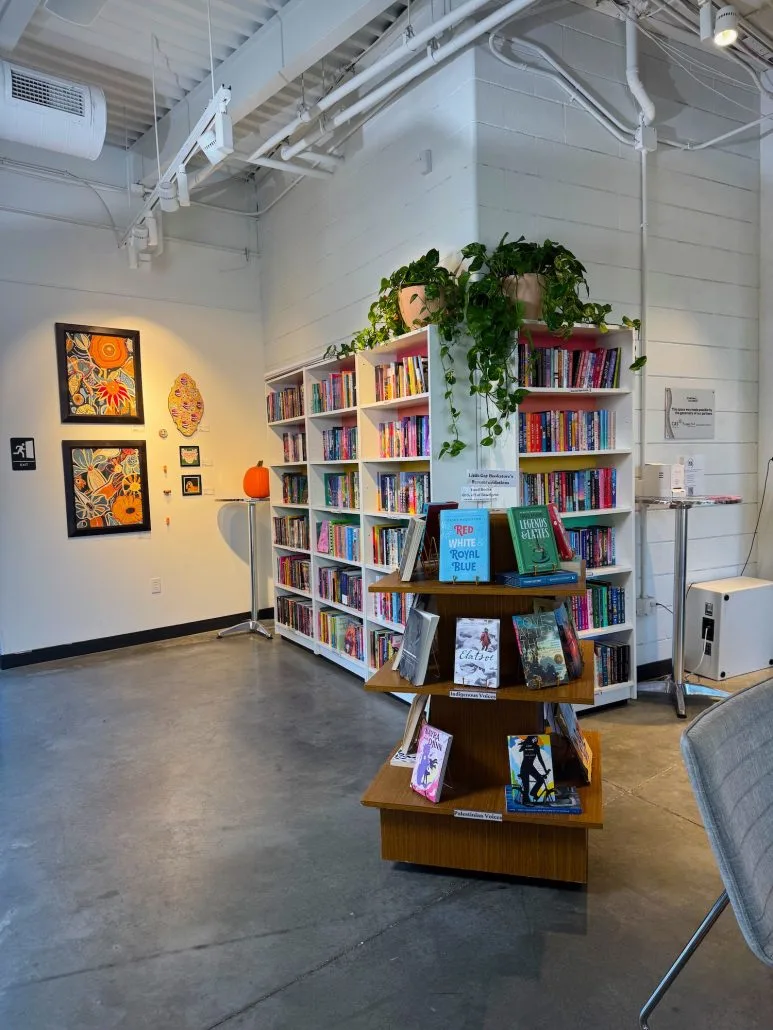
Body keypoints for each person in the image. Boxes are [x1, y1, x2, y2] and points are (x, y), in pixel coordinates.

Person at [517, 735, 550, 802]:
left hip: (531, 767)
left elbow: (540, 759)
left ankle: (533, 793)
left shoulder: (536, 747)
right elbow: (520, 750)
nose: (535, 739)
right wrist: (525, 744)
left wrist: (545, 770)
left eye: (536, 738)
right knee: (526, 789)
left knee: (540, 780)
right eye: (534, 738)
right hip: (524, 768)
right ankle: (525, 803)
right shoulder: (527, 745)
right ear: (530, 739)